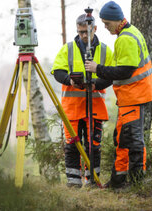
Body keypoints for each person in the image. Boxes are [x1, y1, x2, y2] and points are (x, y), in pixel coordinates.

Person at [85, 1, 152, 189]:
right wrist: (97, 84)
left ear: (116, 21)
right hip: (130, 98)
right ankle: (118, 181)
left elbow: (124, 71)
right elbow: (119, 72)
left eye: (107, 23)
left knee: (132, 141)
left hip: (134, 97)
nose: (105, 28)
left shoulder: (125, 39)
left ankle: (135, 184)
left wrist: (97, 68)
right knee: (122, 139)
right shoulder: (129, 33)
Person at [51, 13, 113, 188]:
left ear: (94, 29)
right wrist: (69, 80)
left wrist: (96, 84)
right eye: (80, 32)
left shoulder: (105, 50)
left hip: (95, 108)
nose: (83, 35)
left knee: (93, 146)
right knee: (72, 146)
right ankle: (73, 183)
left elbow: (111, 75)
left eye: (86, 31)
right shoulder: (68, 49)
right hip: (72, 108)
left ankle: (92, 181)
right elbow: (57, 71)